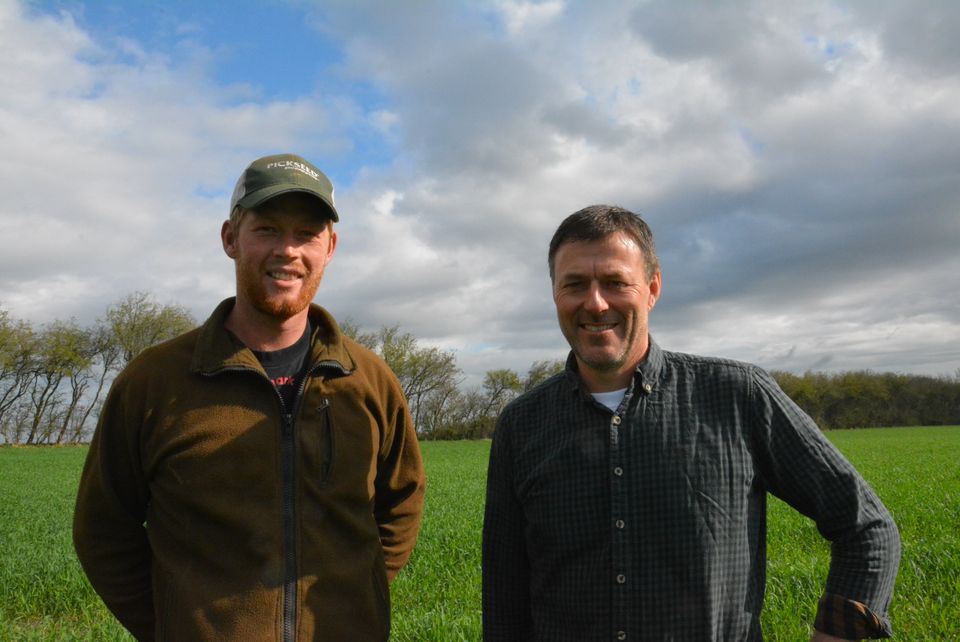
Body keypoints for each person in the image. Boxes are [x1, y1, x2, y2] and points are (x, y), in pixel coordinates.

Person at [482, 205, 900, 641]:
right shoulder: (521, 424)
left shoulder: (738, 395)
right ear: (555, 294)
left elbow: (867, 528)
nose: (595, 302)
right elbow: (504, 598)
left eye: (614, 282)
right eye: (574, 285)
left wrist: (838, 633)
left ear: (652, 289)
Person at [73, 153, 426, 642]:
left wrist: (356, 603)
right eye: (267, 230)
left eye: (307, 234)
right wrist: (174, 627)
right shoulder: (152, 382)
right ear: (230, 238)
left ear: (331, 247)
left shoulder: (369, 380)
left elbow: (401, 502)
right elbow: (104, 529)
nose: (288, 250)